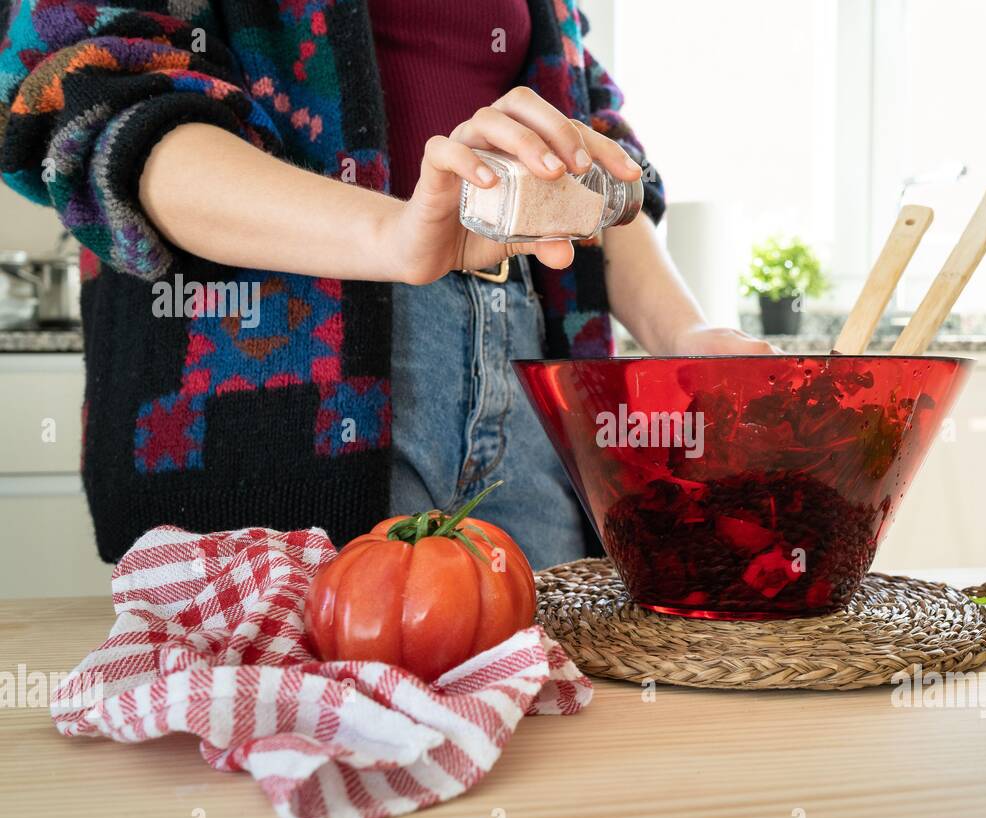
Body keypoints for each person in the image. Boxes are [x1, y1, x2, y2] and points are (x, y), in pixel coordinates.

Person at [0, 0, 770, 569]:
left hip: (527, 380)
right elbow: (86, 96)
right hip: (271, 410)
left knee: (551, 742)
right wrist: (393, 236)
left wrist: (684, 337)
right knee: (275, 757)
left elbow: (590, 165)